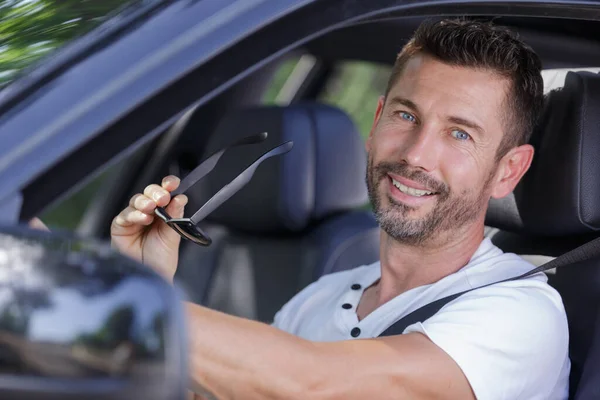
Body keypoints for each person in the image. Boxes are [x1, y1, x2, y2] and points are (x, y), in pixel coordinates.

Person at [111, 19, 570, 400]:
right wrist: (145, 277)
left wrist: (125, 298)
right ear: (376, 123)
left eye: (460, 134)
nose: (416, 154)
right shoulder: (321, 297)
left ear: (508, 171)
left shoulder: (522, 313)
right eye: (406, 116)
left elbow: (314, 385)